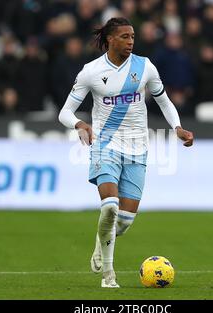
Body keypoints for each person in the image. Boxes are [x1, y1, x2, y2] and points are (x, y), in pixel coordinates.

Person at [58, 17, 193, 288]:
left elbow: (164, 101)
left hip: (138, 148)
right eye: (124, 36)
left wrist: (177, 127)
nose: (131, 41)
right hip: (105, 146)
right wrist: (80, 123)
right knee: (109, 207)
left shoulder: (145, 67)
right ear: (110, 39)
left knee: (124, 221)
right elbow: (64, 112)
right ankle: (109, 275)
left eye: (132, 36)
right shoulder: (91, 71)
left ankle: (101, 241)